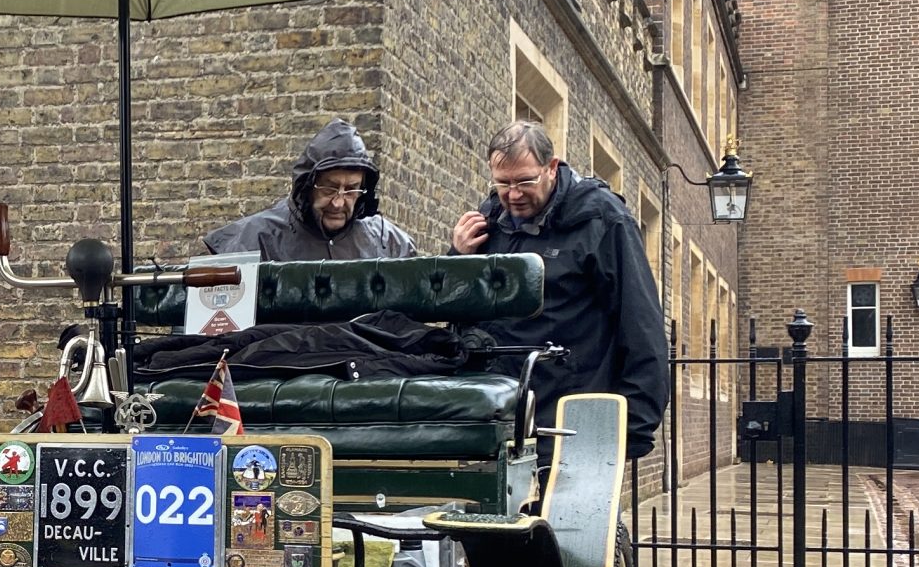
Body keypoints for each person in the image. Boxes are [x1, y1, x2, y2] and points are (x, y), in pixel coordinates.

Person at [451, 121, 668, 458]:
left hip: (571, 418)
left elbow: (640, 322)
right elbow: (457, 311)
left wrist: (634, 425)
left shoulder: (603, 220)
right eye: (503, 183)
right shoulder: (488, 219)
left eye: (525, 181)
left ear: (552, 168)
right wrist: (459, 257)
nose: (513, 194)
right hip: (499, 416)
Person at [204, 118, 419, 263]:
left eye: (351, 190)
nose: (338, 202)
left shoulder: (388, 241)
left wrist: (454, 254)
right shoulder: (253, 240)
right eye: (329, 188)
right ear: (307, 187)